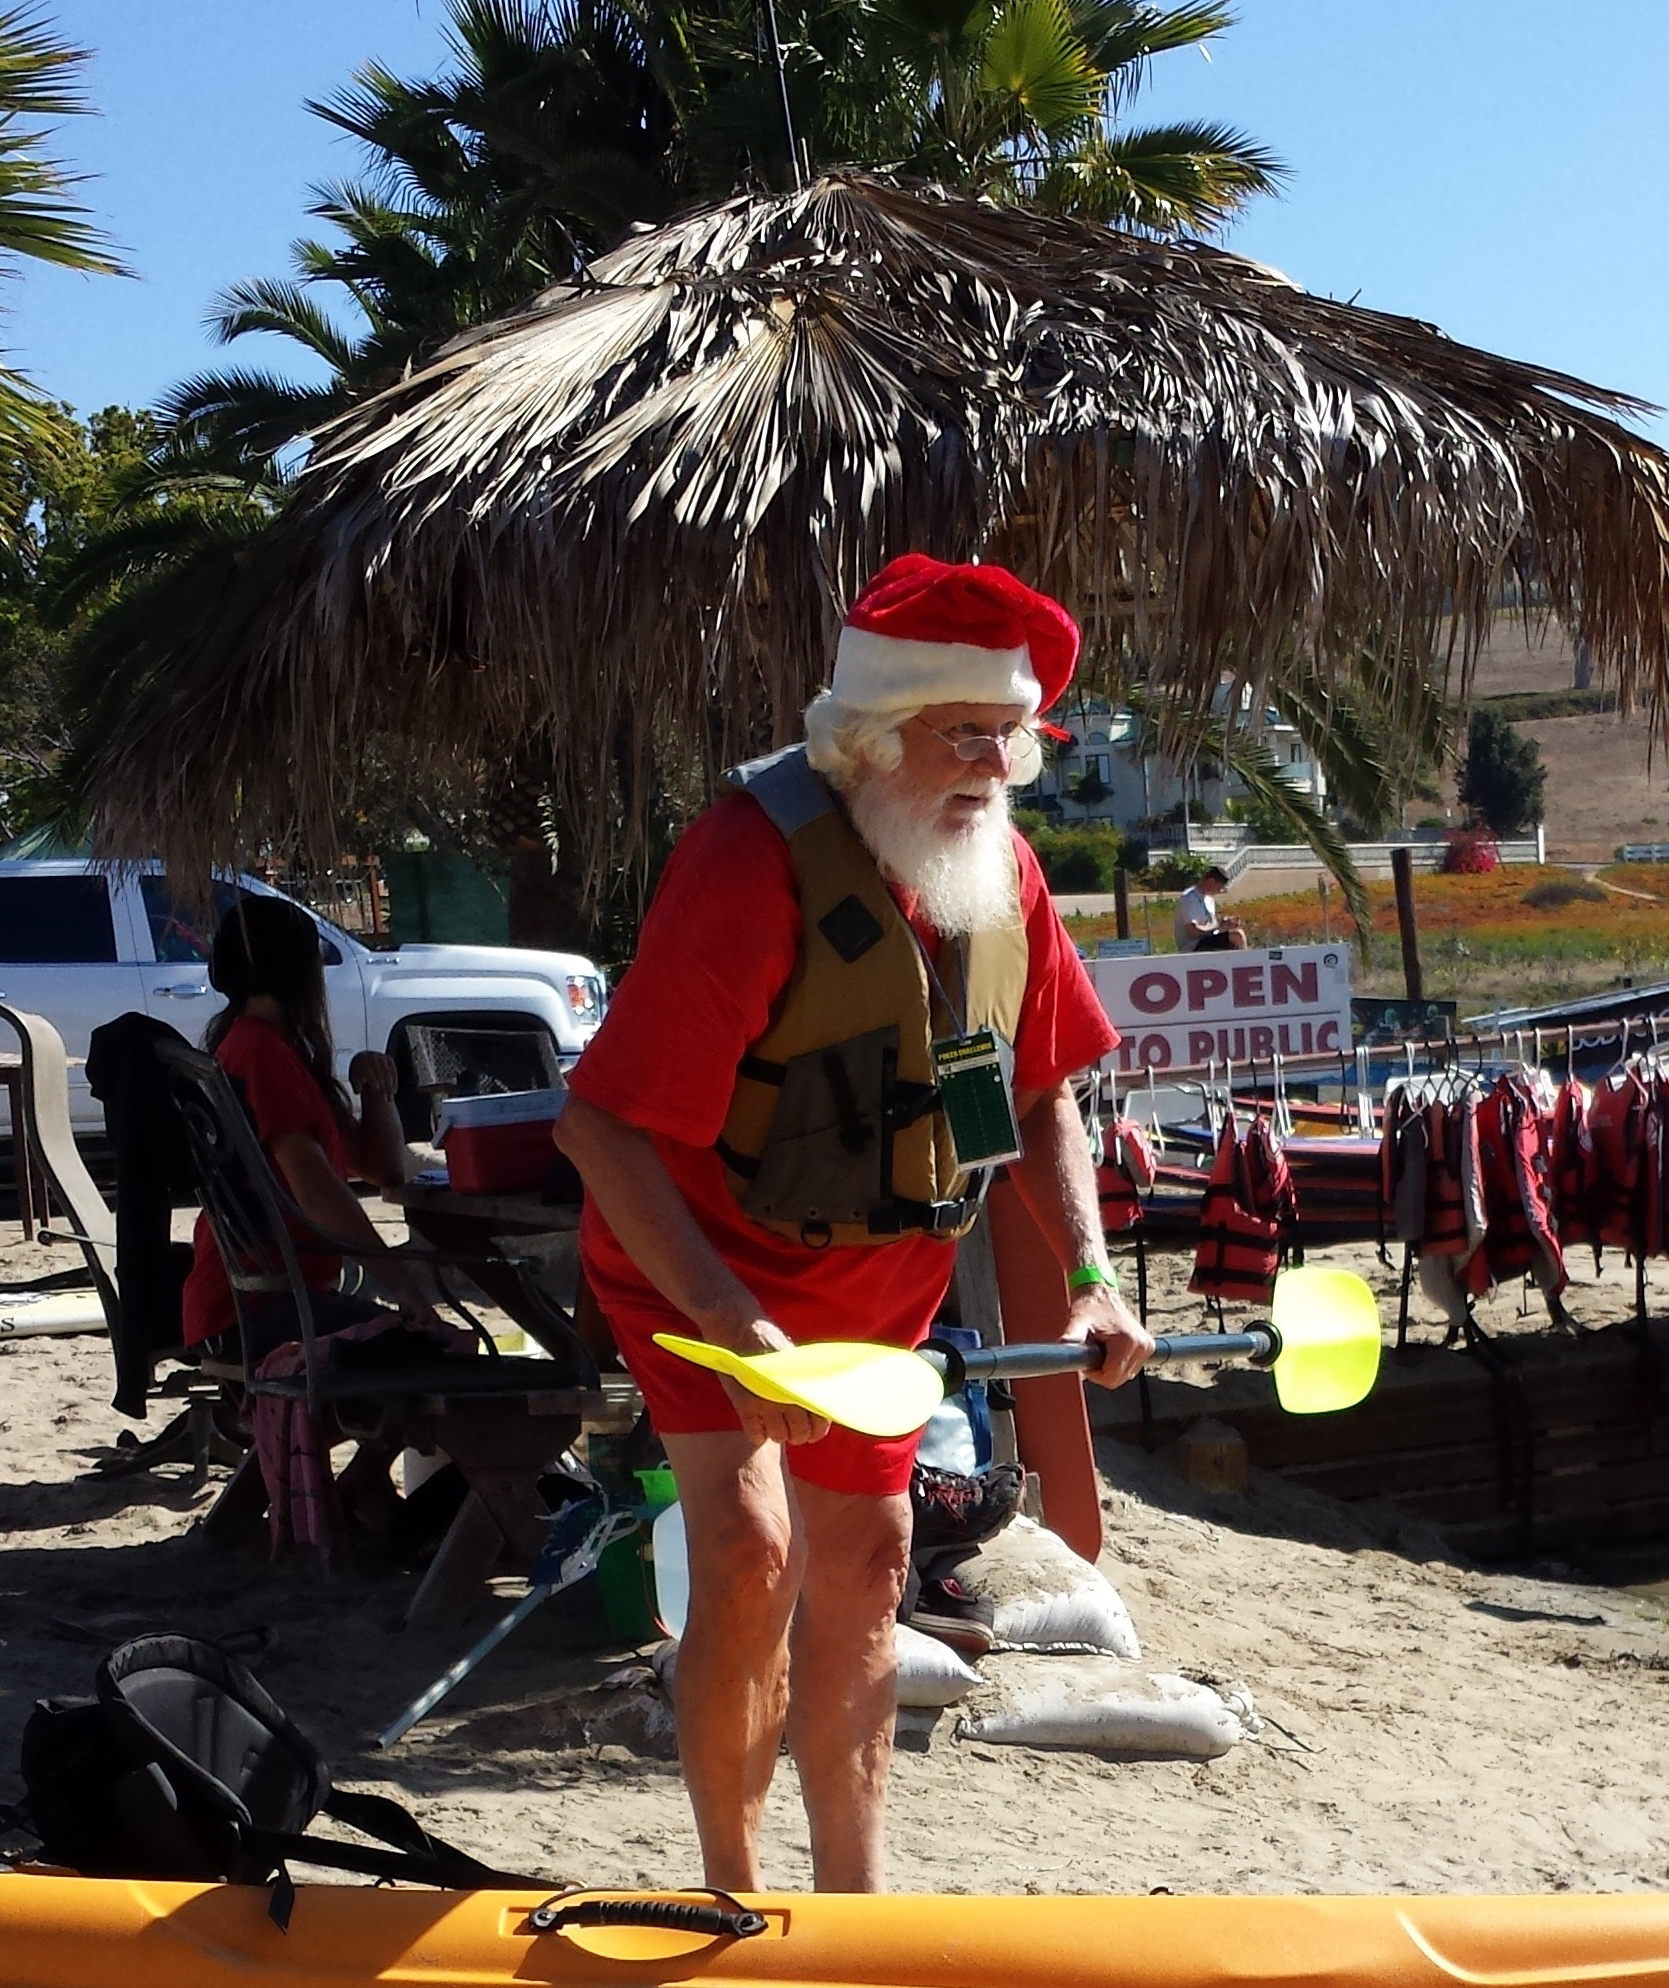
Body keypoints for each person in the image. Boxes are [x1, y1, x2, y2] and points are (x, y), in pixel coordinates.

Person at [554, 554, 1154, 1895]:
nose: (997, 766)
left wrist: (1090, 1276)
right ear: (876, 734)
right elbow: (600, 1130)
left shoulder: (997, 869)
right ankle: (733, 1887)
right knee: (752, 1550)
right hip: (698, 1270)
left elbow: (1045, 1083)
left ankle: (854, 1907)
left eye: (1012, 735)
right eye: (966, 734)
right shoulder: (745, 863)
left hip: (878, 1282)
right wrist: (731, 1319)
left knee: (870, 1560)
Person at [180, 896, 434, 1360]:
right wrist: (407, 1289)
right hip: (258, 1309)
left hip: (266, 1302)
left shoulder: (273, 1048)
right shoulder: (260, 1054)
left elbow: (384, 1169)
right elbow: (317, 1194)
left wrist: (375, 1088)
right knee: (441, 1353)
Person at [1172, 864, 1247, 953]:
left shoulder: (1209, 900)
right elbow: (1192, 932)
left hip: (1206, 940)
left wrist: (1225, 925)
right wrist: (1218, 926)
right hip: (1192, 946)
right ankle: (1248, 963)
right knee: (1236, 935)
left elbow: (1212, 926)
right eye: (1219, 887)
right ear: (1211, 881)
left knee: (1236, 934)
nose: (1220, 891)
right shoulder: (1189, 899)